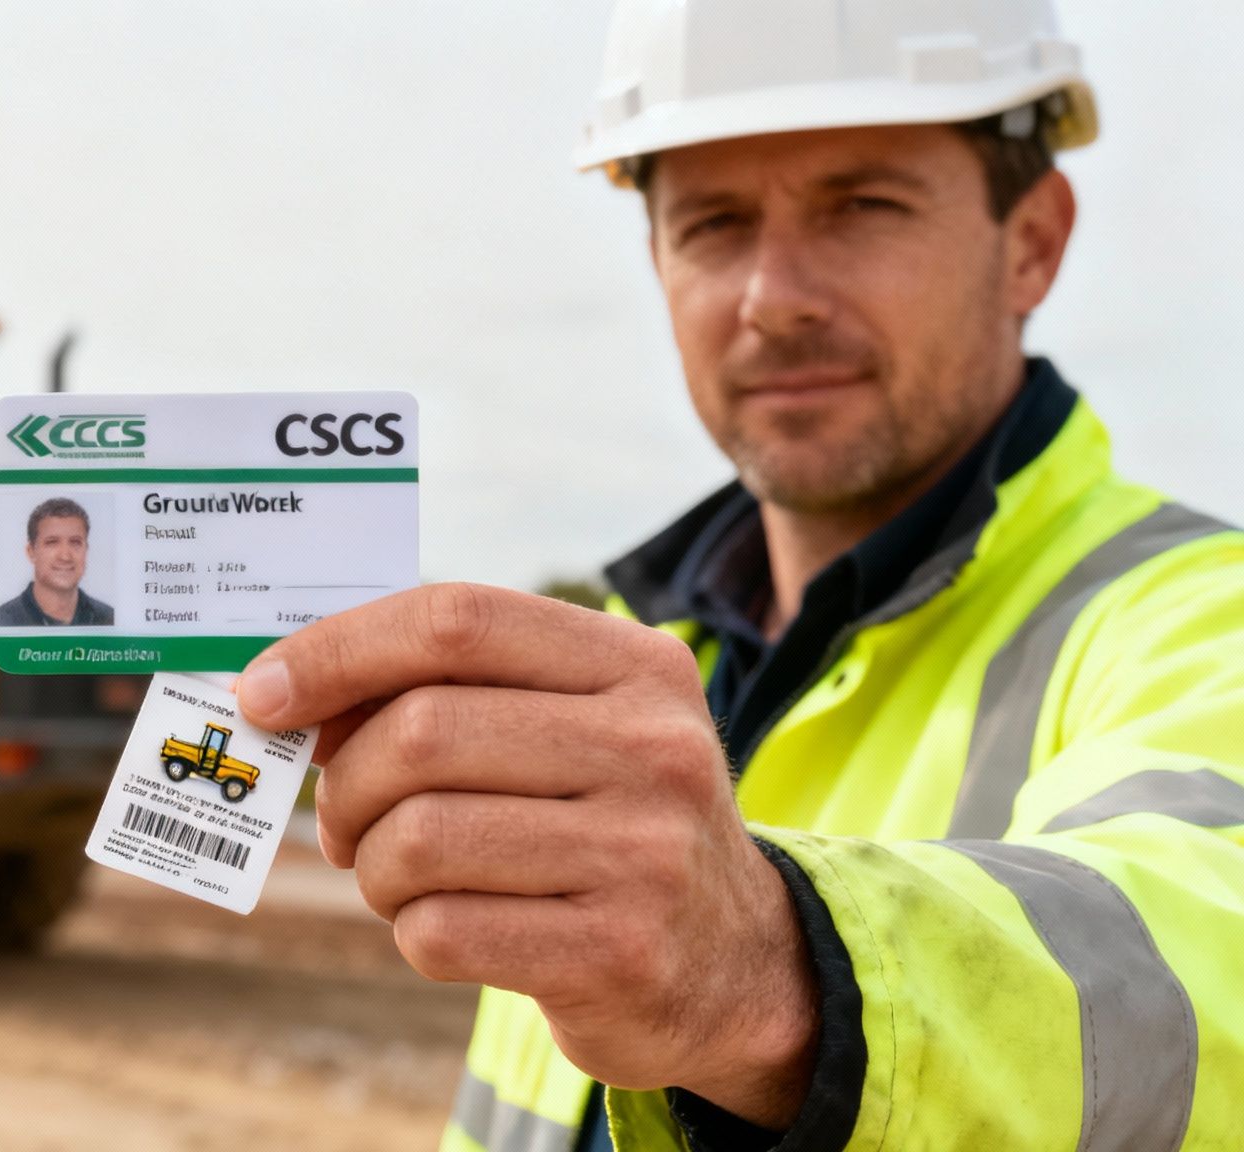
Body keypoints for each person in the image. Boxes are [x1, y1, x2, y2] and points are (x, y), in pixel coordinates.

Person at [236, 2, 1244, 1148]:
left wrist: (768, 970)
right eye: (712, 222)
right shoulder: (611, 665)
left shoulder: (1196, 619)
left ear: (1031, 242)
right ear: (655, 259)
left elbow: (1208, 986)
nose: (773, 297)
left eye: (861, 207)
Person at [0, 497, 115, 627]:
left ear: (86, 550)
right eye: (52, 542)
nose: (65, 556)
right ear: (31, 552)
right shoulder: (2, 622)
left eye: (75, 542)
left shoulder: (108, 620)